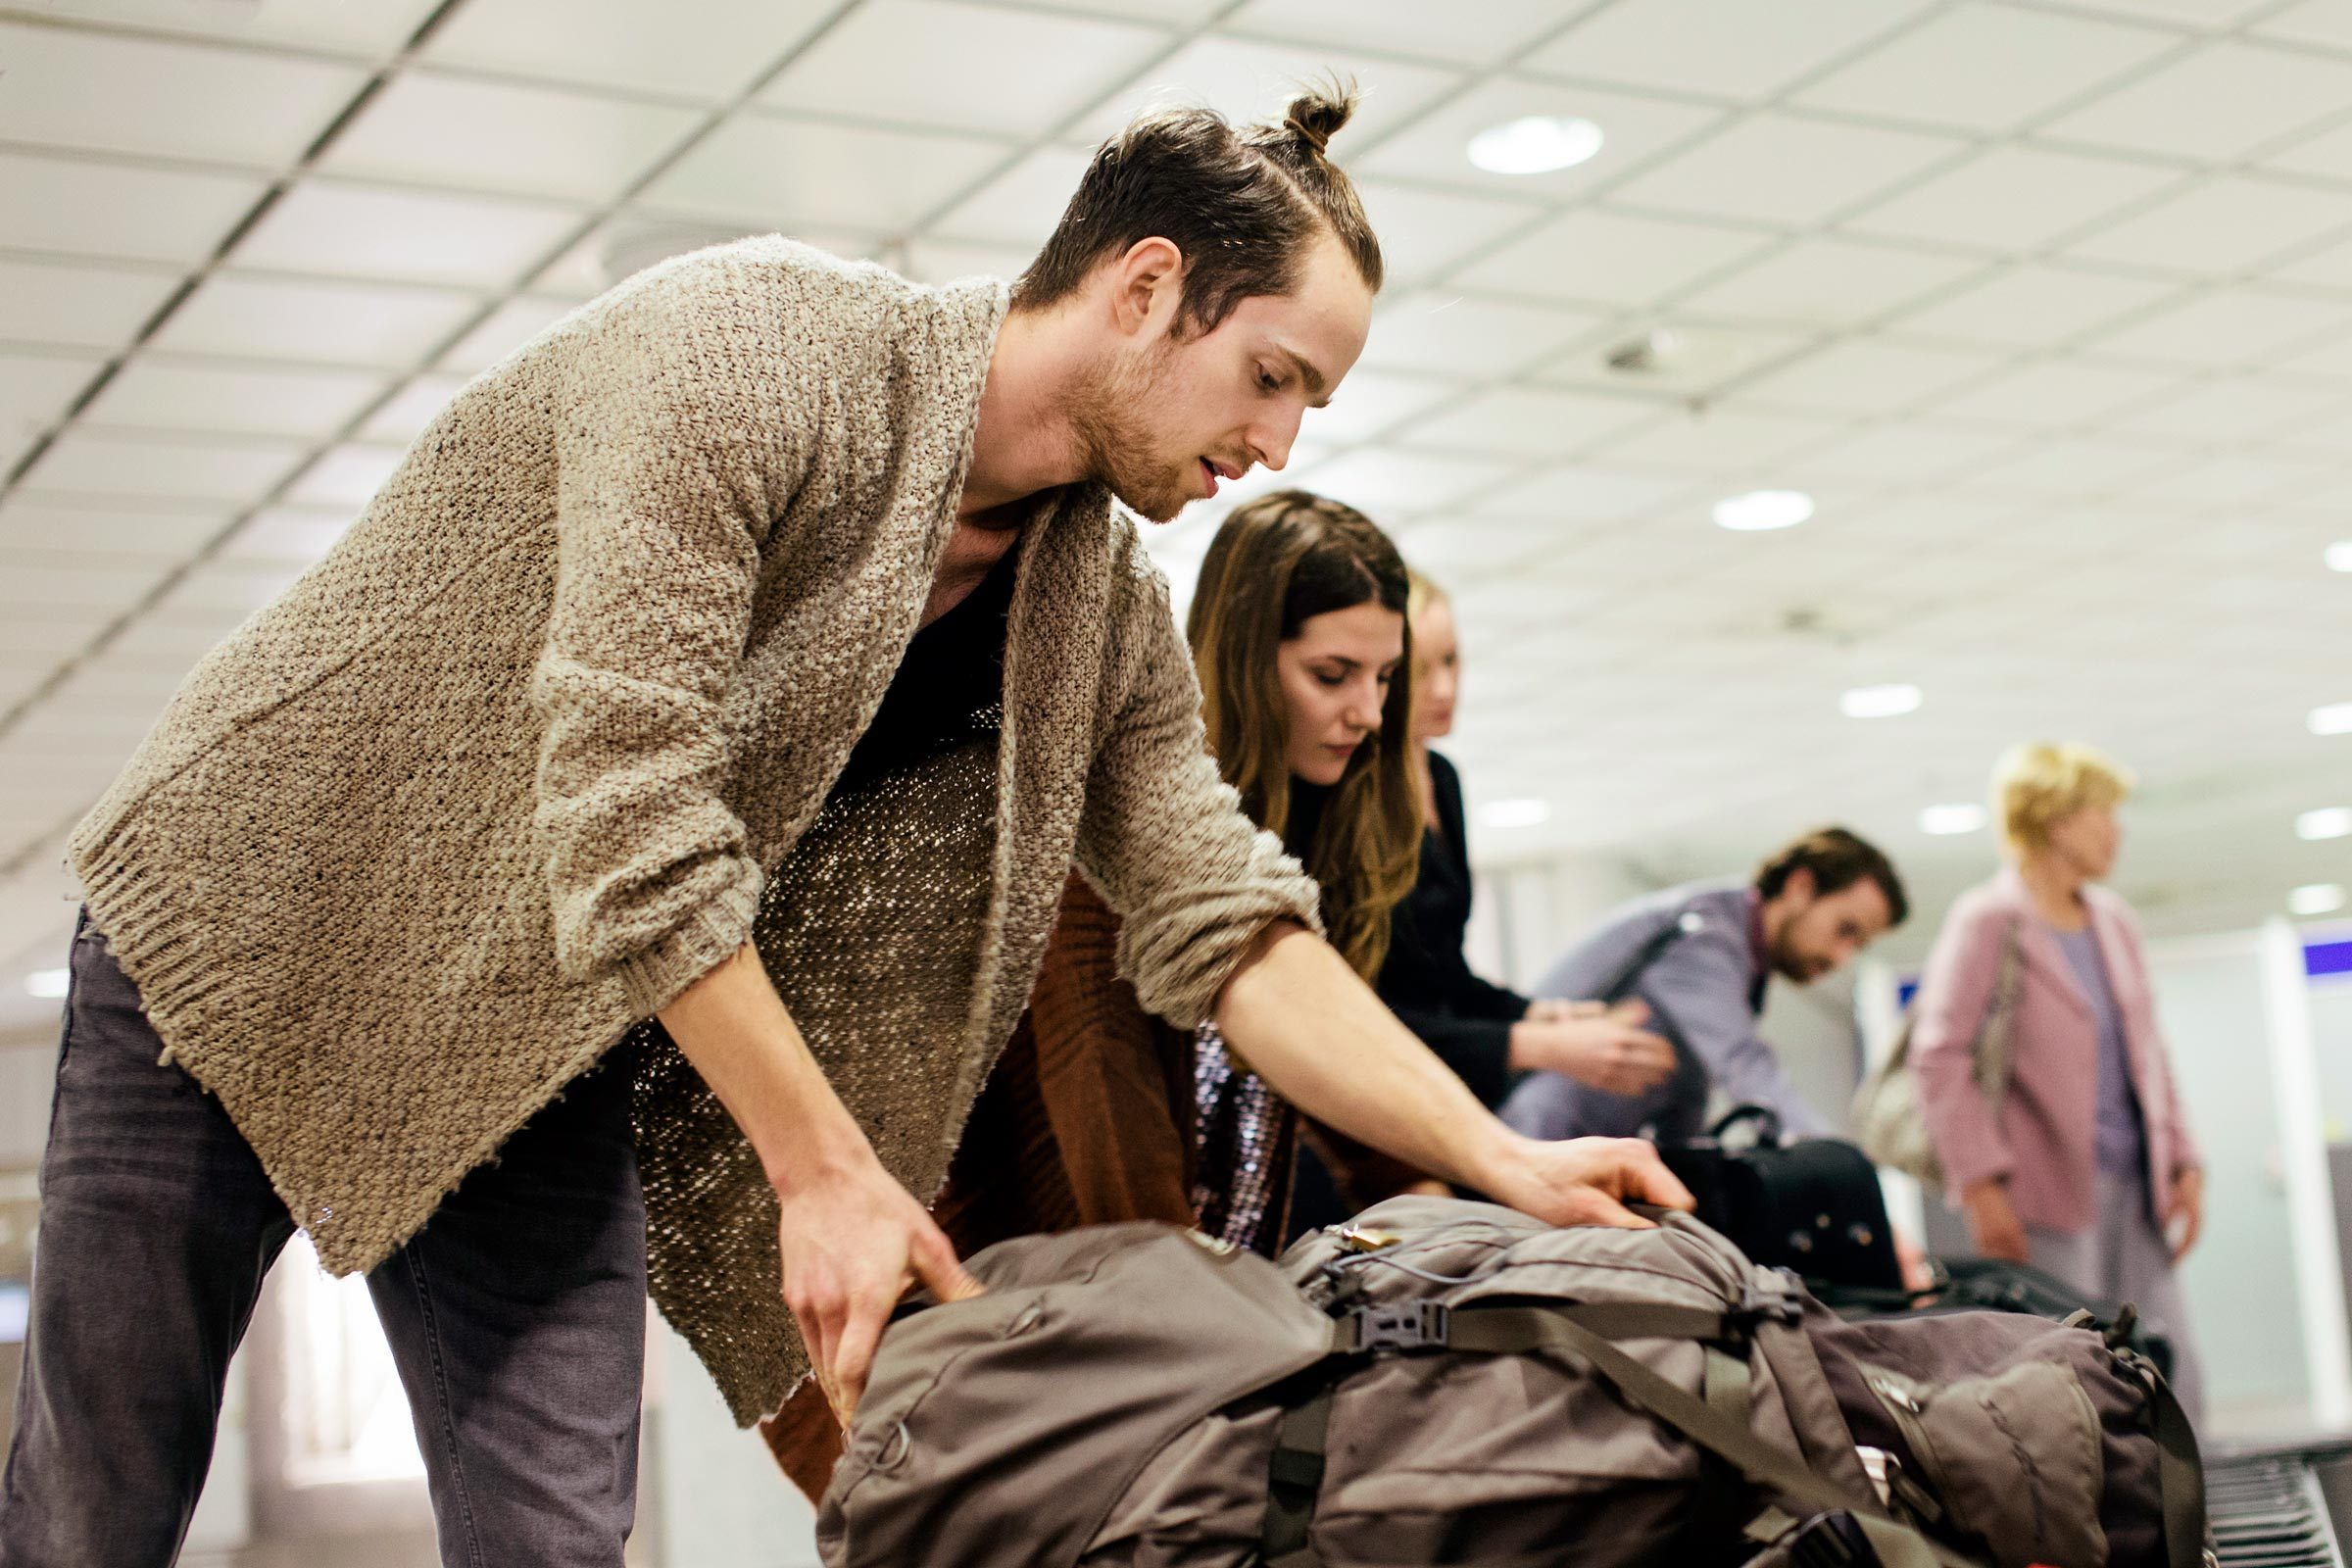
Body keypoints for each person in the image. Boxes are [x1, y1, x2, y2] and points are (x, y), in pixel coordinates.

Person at [0, 86, 1688, 1567]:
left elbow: (1223, 911)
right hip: (249, 933)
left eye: (1307, 402)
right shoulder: (748, 353)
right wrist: (824, 1170)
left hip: (541, 1034)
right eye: (1270, 376)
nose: (1277, 439)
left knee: (555, 1532)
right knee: (101, 1500)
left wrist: (1501, 1156)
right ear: (1145, 286)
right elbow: (630, 812)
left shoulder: (1090, 602)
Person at [764, 487, 1443, 1498]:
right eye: (1332, 674)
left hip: (1125, 1338)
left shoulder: (1287, 867)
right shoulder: (1111, 847)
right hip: (964, 1353)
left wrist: (1451, 1225)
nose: (1369, 712)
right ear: (1249, 667)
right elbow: (1114, 1169)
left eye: (1387, 677)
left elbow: (1357, 1105)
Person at [1910, 743, 2205, 1421]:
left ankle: (2195, 1509)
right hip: (2044, 1190)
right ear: (2056, 820)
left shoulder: (2114, 920)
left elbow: (2150, 1051)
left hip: (2137, 1182)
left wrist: (2186, 1157)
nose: (2116, 830)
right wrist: (1981, 1188)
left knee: (2171, 1360)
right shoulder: (1989, 919)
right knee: (2076, 1366)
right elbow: (1939, 1055)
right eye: (2102, 813)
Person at [1376, 568, 1673, 1109]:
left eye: (1451, 661)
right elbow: (1382, 1006)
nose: (1444, 688)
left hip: (1445, 1078)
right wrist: (1546, 1045)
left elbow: (1445, 977)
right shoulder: (1357, 794)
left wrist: (1543, 1014)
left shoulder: (1442, 778)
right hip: (1388, 1084)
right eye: (1420, 671)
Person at [1502, 827, 1908, 1146]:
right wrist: (1837, 1167)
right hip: (1539, 1135)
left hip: (1578, 1147)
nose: (1842, 958)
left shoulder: (1740, 961)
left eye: (1857, 945)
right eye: (1845, 930)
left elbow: (1688, 1087)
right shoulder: (1704, 936)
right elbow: (1743, 1065)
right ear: (1800, 887)